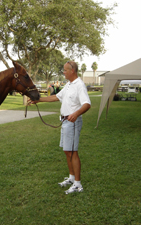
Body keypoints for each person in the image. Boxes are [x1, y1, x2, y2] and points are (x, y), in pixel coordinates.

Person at [28, 61, 91, 194]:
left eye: (65, 70)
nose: (63, 72)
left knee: (73, 152)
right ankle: (72, 178)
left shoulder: (79, 85)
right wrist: (38, 100)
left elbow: (87, 104)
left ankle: (78, 184)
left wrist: (76, 113)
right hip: (65, 122)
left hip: (73, 122)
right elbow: (56, 97)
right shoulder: (68, 85)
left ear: (72, 70)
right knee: (67, 151)